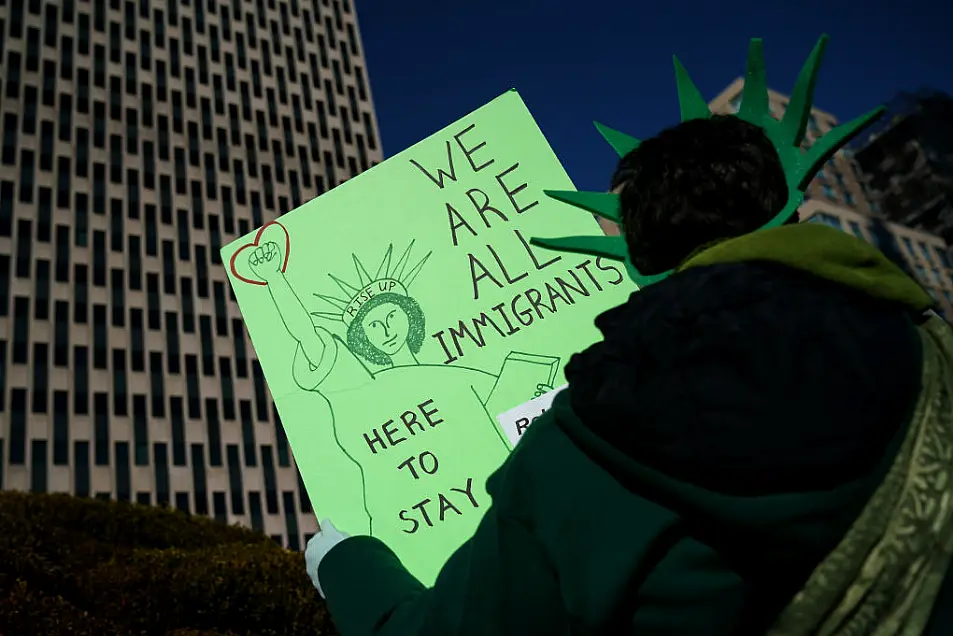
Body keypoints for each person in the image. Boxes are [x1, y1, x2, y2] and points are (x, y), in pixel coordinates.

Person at [304, 113, 953, 635]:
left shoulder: (590, 434)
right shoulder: (930, 344)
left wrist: (347, 564)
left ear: (636, 247)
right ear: (774, 197)